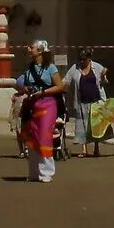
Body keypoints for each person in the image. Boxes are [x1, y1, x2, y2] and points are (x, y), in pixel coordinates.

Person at [14, 41, 67, 182]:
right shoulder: (29, 68)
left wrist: (43, 92)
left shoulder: (51, 68)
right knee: (31, 137)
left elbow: (60, 86)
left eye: (32, 47)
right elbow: (20, 82)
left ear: (41, 51)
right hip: (32, 105)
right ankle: (33, 172)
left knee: (43, 135)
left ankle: (46, 172)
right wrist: (24, 88)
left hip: (48, 104)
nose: (28, 49)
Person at [67, 51, 114, 157]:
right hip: (81, 102)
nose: (82, 61)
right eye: (81, 59)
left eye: (84, 59)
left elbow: (104, 81)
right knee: (82, 126)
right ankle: (84, 149)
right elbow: (66, 80)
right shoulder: (75, 68)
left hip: (96, 101)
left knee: (96, 126)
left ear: (89, 59)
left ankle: (96, 148)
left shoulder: (97, 67)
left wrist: (104, 75)